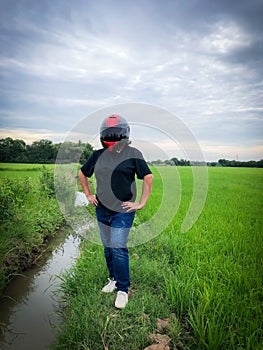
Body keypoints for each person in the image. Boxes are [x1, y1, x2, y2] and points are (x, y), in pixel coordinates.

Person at [78, 114, 153, 309]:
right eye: (108, 140)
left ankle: (122, 289)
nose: (111, 144)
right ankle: (112, 279)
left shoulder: (133, 154)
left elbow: (148, 177)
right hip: (102, 209)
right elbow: (82, 173)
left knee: (118, 246)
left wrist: (141, 203)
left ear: (124, 137)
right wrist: (88, 195)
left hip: (123, 210)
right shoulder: (97, 155)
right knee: (107, 247)